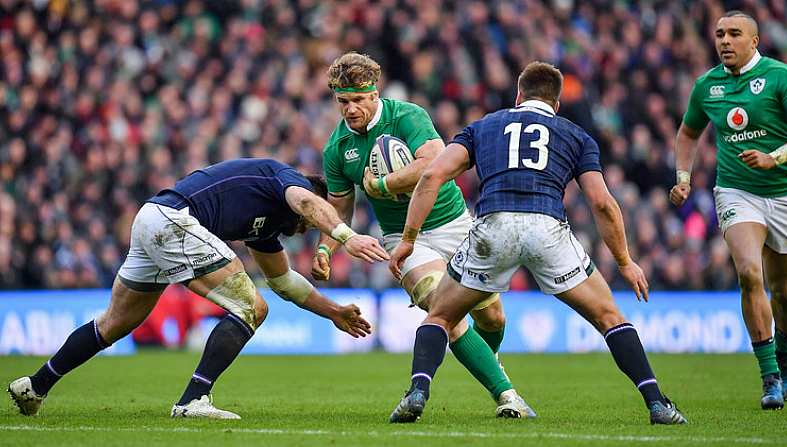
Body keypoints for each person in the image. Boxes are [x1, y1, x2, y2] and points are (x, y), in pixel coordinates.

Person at [388, 62, 687, 425]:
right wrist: (625, 261)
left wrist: (408, 240)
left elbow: (433, 174)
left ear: (518, 95)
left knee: (440, 316)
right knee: (609, 317)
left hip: (493, 226)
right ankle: (657, 403)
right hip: (547, 228)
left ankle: (418, 392)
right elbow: (602, 203)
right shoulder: (575, 135)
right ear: (556, 104)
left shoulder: (484, 126)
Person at [8, 158, 388, 419]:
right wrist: (344, 235)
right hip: (174, 220)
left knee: (113, 324)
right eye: (309, 222)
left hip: (152, 220)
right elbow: (306, 202)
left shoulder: (266, 227)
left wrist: (334, 312)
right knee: (251, 308)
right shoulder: (289, 182)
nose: (304, 229)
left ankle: (35, 385)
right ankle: (193, 399)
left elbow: (286, 282)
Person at [312, 52, 533, 418]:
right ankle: (507, 395)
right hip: (402, 236)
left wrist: (384, 183)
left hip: (454, 223)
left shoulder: (407, 116)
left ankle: (488, 363)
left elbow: (434, 162)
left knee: (493, 318)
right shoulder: (336, 149)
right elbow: (339, 208)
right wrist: (325, 247)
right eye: (342, 101)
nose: (350, 109)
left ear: (374, 94)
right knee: (441, 305)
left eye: (357, 100)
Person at [669, 11, 787, 410]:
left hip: (786, 192)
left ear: (754, 41)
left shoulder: (781, 78)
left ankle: (786, 357)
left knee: (786, 293)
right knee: (747, 272)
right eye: (720, 34)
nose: (724, 40)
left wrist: (775, 157)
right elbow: (688, 133)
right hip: (737, 192)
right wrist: (684, 176)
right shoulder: (708, 85)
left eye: (734, 34)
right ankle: (770, 376)